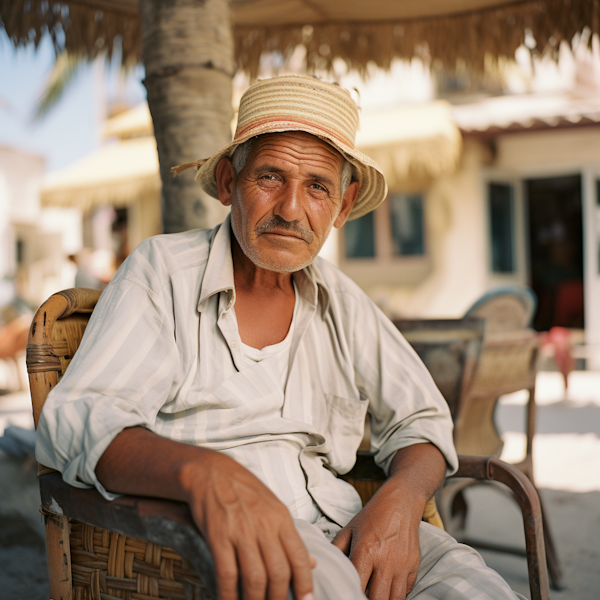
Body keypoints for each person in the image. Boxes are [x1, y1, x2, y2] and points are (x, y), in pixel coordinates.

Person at [36, 76, 524, 600]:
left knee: (476, 586)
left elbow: (422, 420)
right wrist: (207, 474)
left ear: (342, 206)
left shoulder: (342, 300)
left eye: (318, 186)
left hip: (343, 523)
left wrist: (402, 500)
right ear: (228, 181)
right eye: (270, 176)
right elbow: (80, 419)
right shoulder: (163, 272)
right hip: (222, 543)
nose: (292, 209)